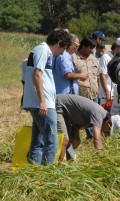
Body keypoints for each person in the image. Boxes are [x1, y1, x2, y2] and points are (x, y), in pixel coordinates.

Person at [22, 29, 72, 165]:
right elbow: (37, 74)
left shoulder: (43, 51)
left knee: (38, 140)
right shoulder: (43, 50)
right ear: (60, 43)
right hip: (43, 104)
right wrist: (42, 102)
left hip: (43, 103)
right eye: (64, 48)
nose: (63, 52)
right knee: (52, 141)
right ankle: (47, 174)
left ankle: (35, 171)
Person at [56, 94, 120, 160]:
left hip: (65, 113)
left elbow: (76, 126)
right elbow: (97, 140)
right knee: (64, 140)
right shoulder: (99, 115)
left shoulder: (97, 115)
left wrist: (77, 138)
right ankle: (58, 168)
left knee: (71, 140)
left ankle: (69, 164)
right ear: (108, 122)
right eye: (108, 132)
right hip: (59, 105)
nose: (106, 134)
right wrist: (101, 160)